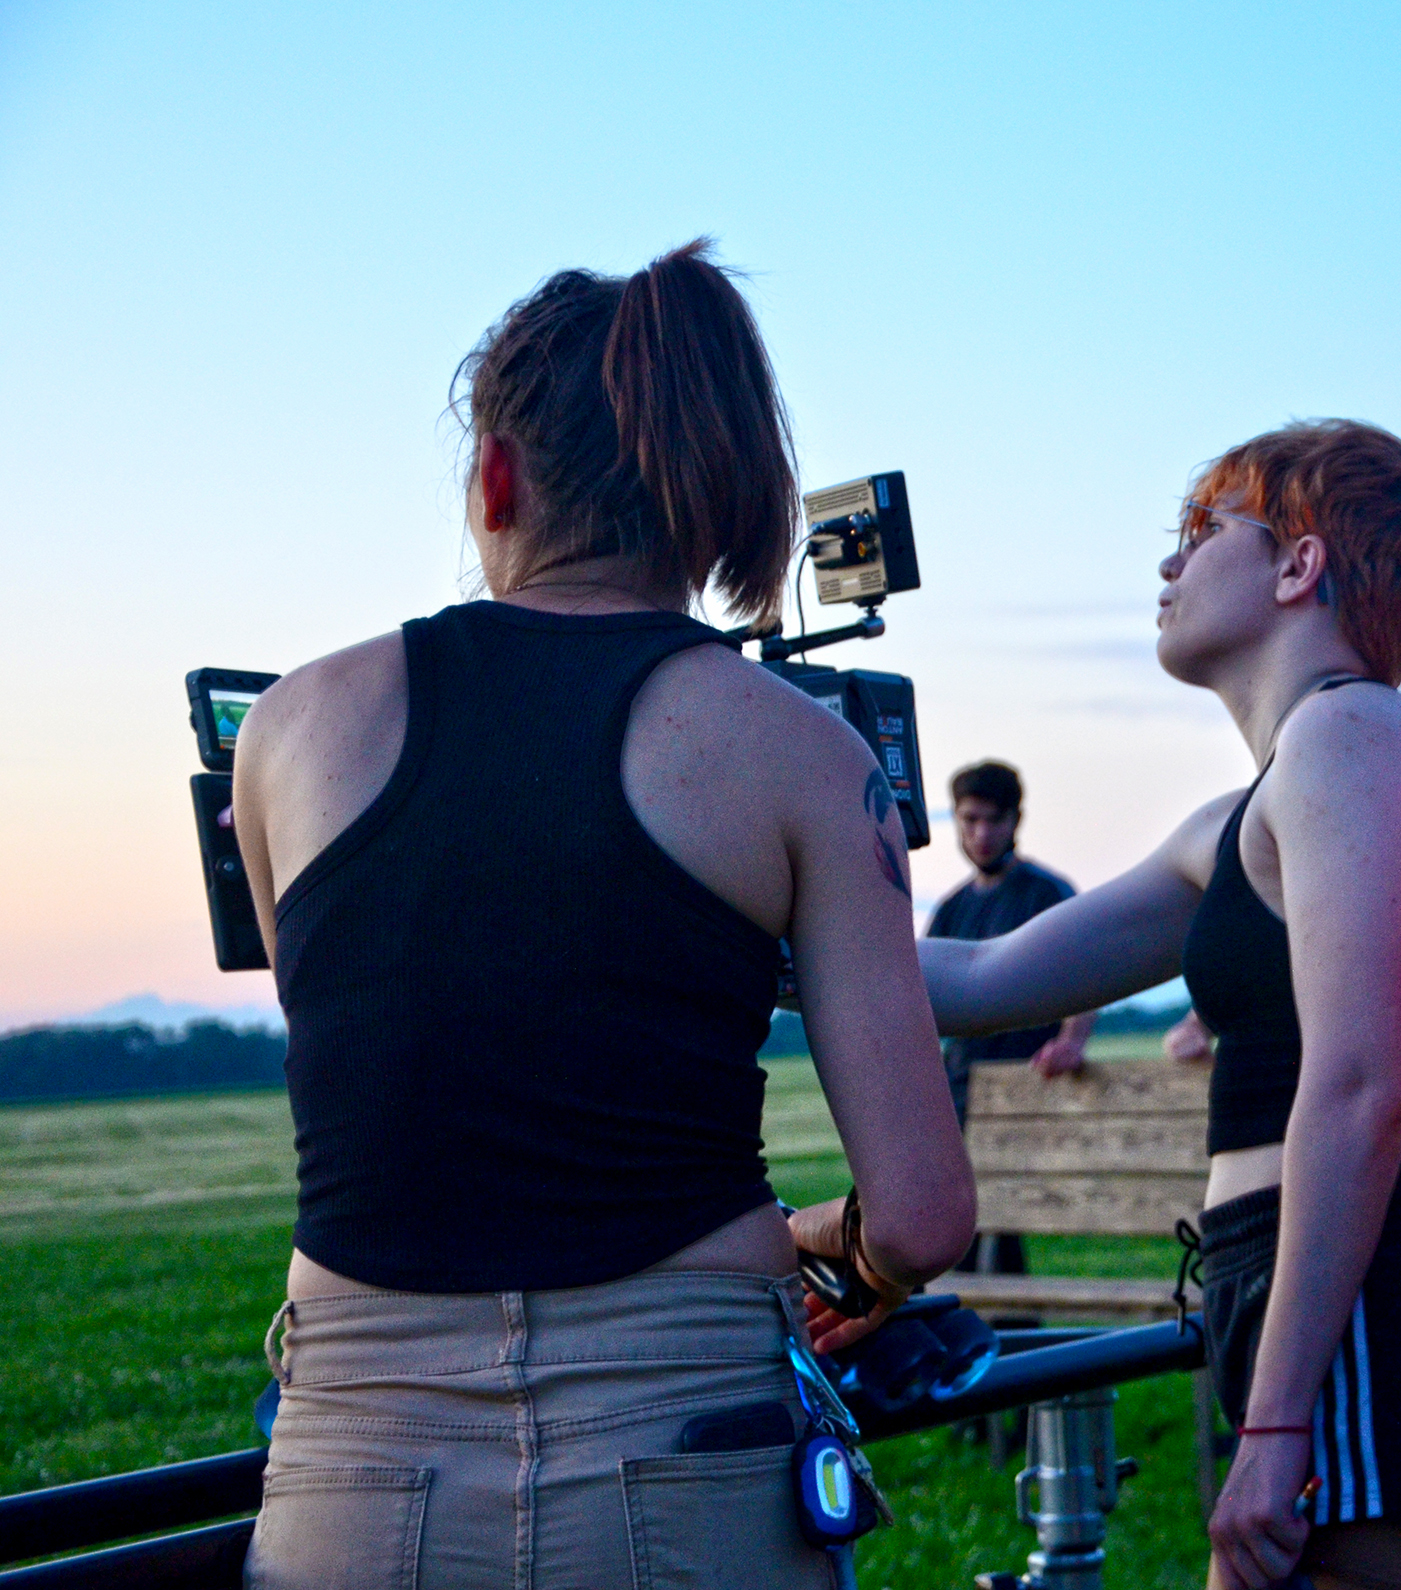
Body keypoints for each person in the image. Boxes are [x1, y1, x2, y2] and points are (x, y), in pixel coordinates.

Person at [229, 241, 975, 1589]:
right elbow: (922, 1218)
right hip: (692, 1453)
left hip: (355, 1463)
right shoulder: (803, 754)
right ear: (711, 497)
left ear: (497, 475)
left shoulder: (288, 732)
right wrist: (837, 1247)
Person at [919, 420, 1401, 1590]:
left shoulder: (1353, 735)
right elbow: (973, 982)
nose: (1170, 566)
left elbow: (1360, 1086)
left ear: (1297, 566)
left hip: (1379, 1306)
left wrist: (1272, 1427)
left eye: (1200, 531)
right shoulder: (1249, 818)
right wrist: (765, 885)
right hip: (1316, 1303)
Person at [928, 759, 1094, 1281]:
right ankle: (987, 1338)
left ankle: (1006, 1341)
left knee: (995, 1230)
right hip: (960, 1088)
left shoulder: (1046, 894)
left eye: (992, 820)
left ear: (1014, 821)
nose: (980, 833)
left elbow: (1089, 971)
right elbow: (920, 994)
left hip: (1025, 1086)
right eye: (969, 819)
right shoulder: (951, 909)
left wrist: (1071, 1041)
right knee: (957, 1231)